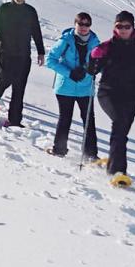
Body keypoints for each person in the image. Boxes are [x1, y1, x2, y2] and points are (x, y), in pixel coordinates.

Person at [89, 10, 135, 181]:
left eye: (127, 26)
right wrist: (93, 58)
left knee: (122, 132)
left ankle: (114, 161)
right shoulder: (107, 47)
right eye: (120, 26)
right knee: (119, 123)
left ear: (133, 28)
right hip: (108, 93)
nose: (123, 30)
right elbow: (92, 72)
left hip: (131, 97)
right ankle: (117, 172)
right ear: (115, 27)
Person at [0, 0, 46, 126]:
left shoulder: (30, 11)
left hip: (24, 54)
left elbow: (36, 32)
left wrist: (41, 52)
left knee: (20, 86)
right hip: (6, 51)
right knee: (5, 78)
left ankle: (15, 120)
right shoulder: (4, 9)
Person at [45, 12, 100, 158]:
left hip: (85, 88)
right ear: (75, 24)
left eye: (87, 24)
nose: (83, 27)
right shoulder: (66, 40)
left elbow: (100, 63)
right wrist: (69, 73)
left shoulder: (95, 43)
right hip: (65, 87)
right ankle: (59, 149)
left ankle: (91, 154)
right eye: (80, 24)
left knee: (89, 120)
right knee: (65, 118)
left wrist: (90, 70)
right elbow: (50, 60)